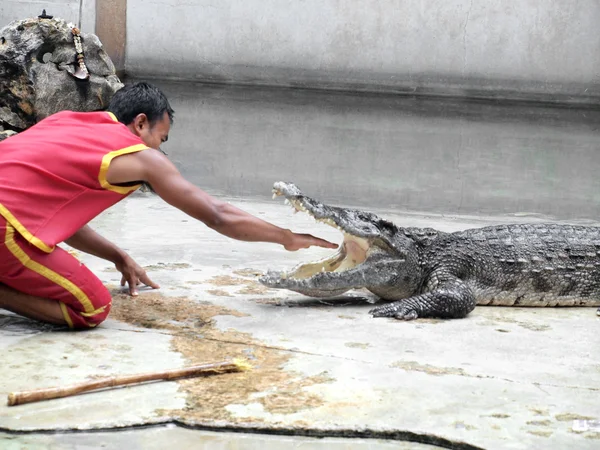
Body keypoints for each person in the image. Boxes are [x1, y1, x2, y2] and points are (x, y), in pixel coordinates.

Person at [0, 82, 337, 329]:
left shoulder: (68, 122)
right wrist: (286, 237)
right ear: (141, 123)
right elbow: (218, 215)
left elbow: (56, 219)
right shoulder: (141, 156)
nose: (160, 150)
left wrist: (119, 257)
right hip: (5, 227)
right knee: (92, 308)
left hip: (10, 218)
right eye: (161, 139)